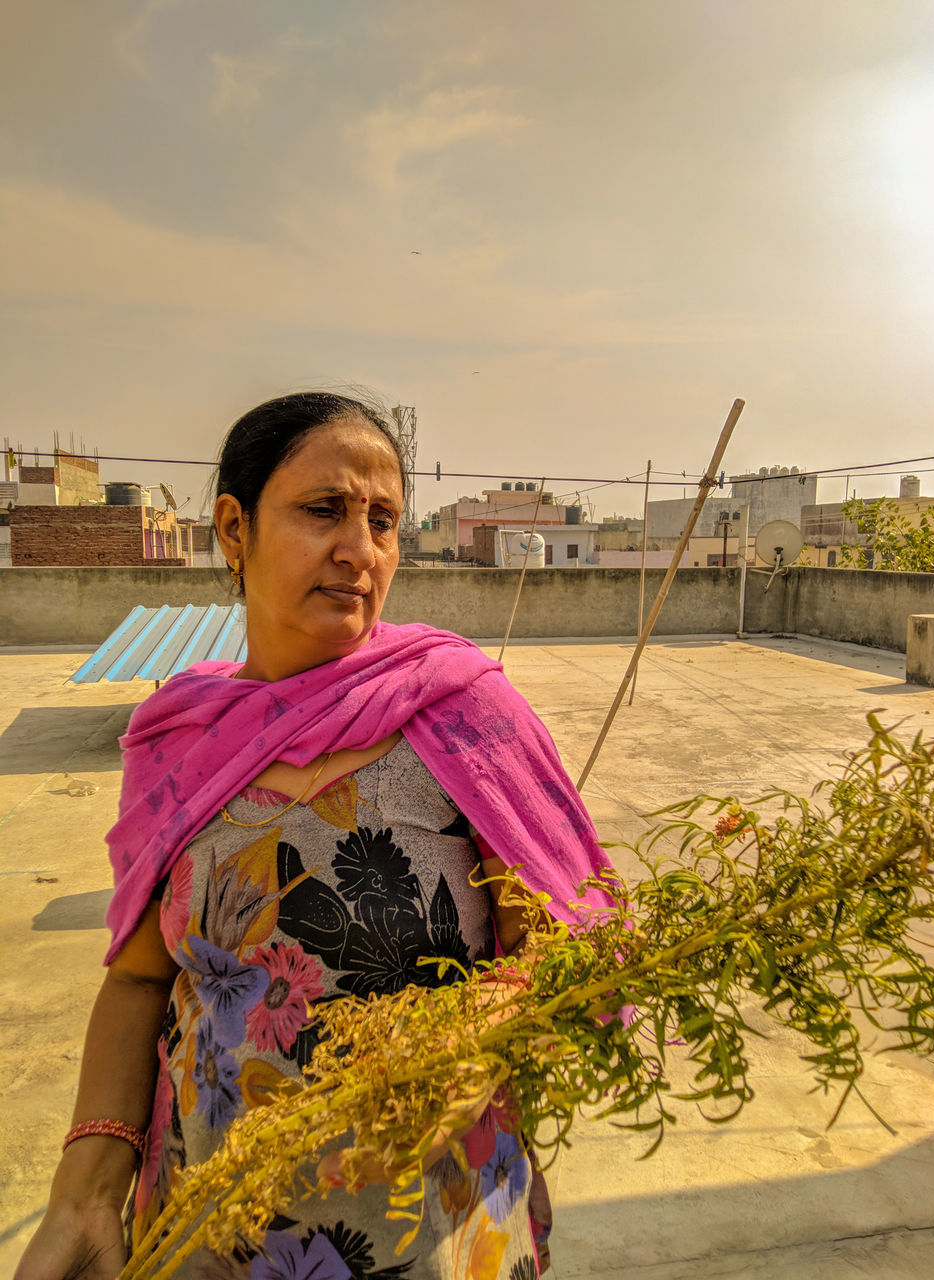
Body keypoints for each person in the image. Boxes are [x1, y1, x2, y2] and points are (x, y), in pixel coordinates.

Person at [15, 391, 615, 1280]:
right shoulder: (182, 742)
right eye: (323, 510)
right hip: (210, 1226)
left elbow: (576, 948)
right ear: (232, 528)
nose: (359, 550)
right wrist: (85, 1189)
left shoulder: (461, 716)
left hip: (431, 1229)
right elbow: (142, 976)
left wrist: (470, 1029)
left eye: (383, 521)